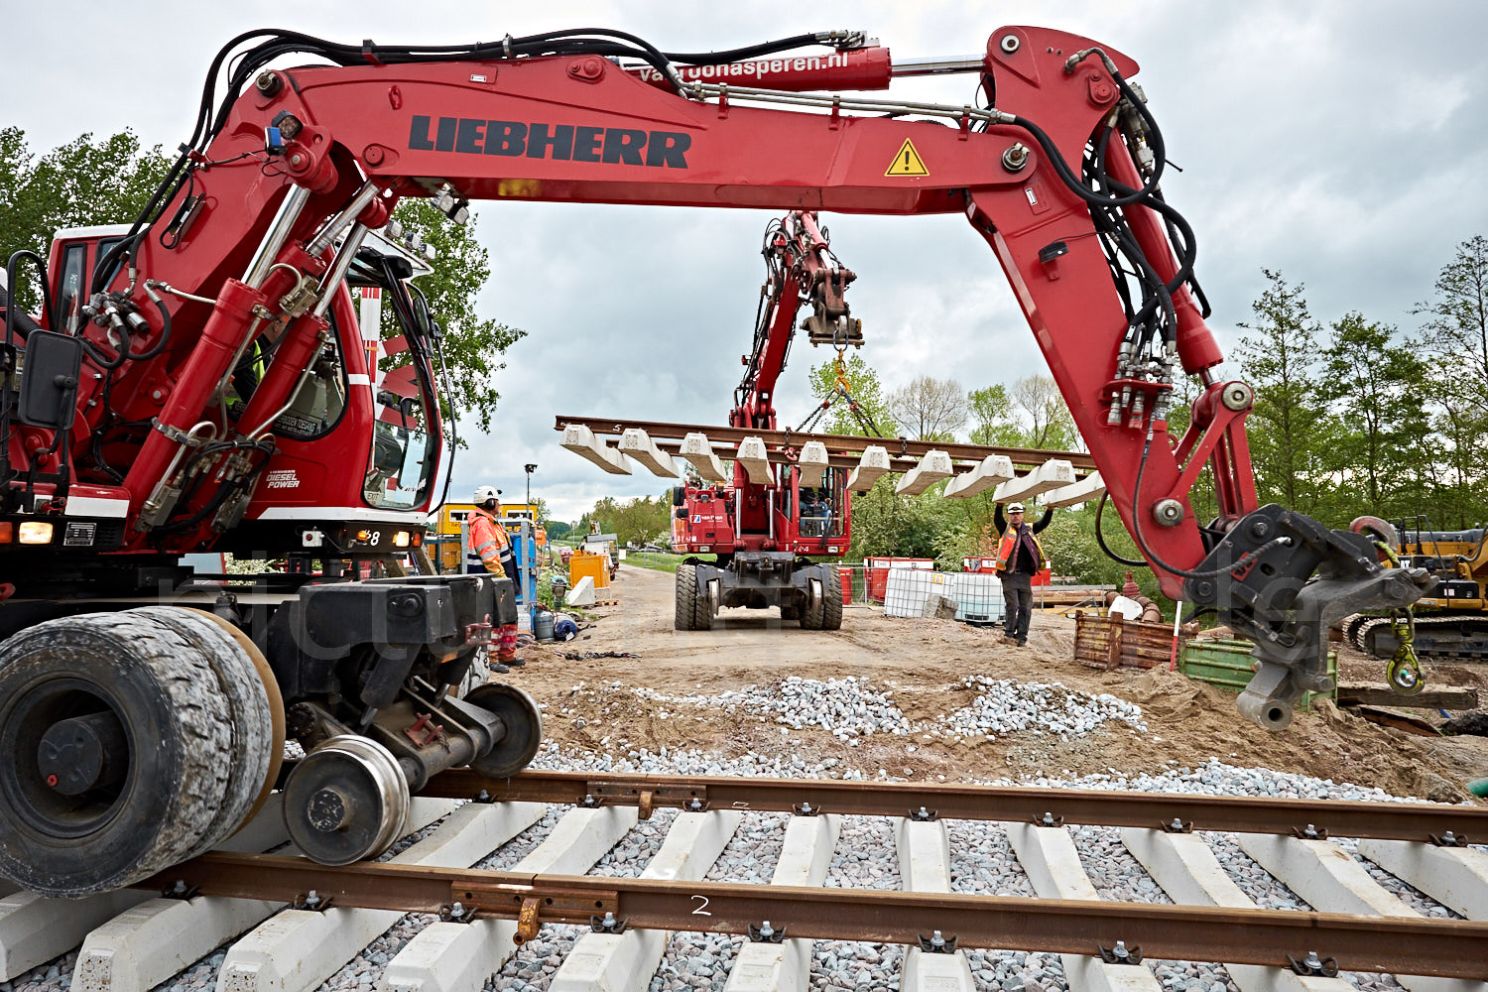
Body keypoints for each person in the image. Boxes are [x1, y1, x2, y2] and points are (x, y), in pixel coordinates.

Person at [466, 485, 522, 671]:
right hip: (493, 579)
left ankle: (507, 655)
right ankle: (492, 659)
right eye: (497, 500)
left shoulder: (492, 522)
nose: (500, 504)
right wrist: (501, 578)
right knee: (495, 619)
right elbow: (489, 555)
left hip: (501, 578)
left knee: (508, 617)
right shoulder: (482, 524)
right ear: (490, 502)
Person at [993, 501, 1053, 647]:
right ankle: (1008, 634)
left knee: (1026, 607)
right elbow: (997, 519)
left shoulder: (1030, 529)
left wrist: (1050, 510)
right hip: (1008, 575)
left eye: (1017, 513)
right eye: (1012, 514)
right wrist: (999, 505)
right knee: (1012, 605)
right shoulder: (1005, 529)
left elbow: (1043, 523)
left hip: (1025, 576)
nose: (1015, 516)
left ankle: (1021, 637)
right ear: (1009, 516)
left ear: (1022, 514)